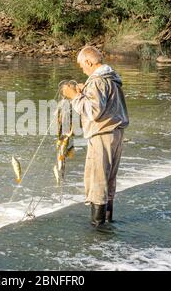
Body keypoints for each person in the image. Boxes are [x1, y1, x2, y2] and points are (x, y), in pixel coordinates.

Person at [62, 46, 129, 232]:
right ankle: (107, 223)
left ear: (89, 62)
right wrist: (84, 92)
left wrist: (74, 96)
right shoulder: (111, 78)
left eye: (82, 66)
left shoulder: (98, 81)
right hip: (116, 133)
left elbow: (93, 111)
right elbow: (103, 104)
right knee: (108, 179)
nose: (82, 70)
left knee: (97, 180)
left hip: (103, 135)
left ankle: (97, 228)